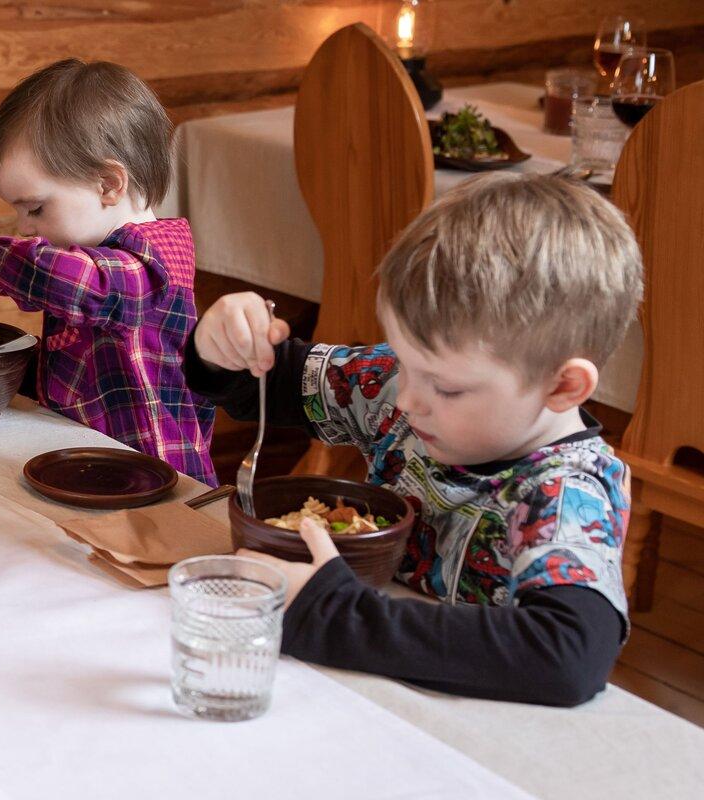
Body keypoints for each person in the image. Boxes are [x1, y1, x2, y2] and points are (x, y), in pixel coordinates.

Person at [186, 173, 638, 706]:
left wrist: (334, 614)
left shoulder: (564, 492)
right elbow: (269, 383)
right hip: (367, 695)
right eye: (403, 361)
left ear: (562, 386)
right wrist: (223, 345)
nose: (405, 400)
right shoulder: (405, 387)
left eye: (445, 387)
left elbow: (568, 657)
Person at [0, 58, 215, 484]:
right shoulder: (95, 253)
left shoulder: (148, 267)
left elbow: (71, 283)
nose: (25, 228)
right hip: (90, 458)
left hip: (154, 480)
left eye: (35, 208)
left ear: (109, 185)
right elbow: (59, 312)